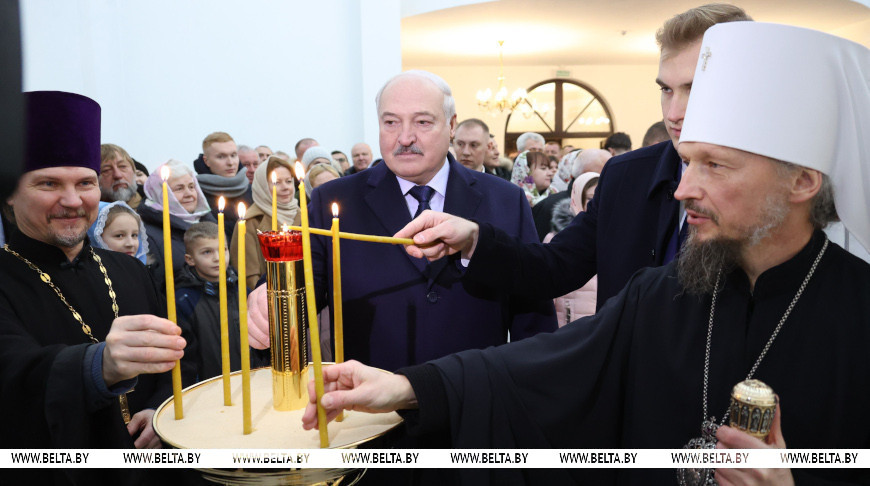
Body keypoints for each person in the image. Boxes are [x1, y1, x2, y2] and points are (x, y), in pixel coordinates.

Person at [305, 21, 870, 485]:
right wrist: (404, 387)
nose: (681, 187)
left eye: (713, 165)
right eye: (686, 158)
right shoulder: (659, 292)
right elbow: (536, 367)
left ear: (801, 182)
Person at [394, 4, 753, 310]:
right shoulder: (627, 177)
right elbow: (554, 267)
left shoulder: (772, 186)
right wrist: (474, 240)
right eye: (666, 90)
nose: (674, 112)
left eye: (693, 89)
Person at [300, 70, 556, 373]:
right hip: (371, 408)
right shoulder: (334, 202)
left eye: (422, 122)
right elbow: (299, 293)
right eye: (391, 122)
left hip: (476, 400)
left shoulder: (505, 200)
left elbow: (534, 318)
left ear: (451, 126)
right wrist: (269, 296)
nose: (405, 138)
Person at [0, 91, 189, 485]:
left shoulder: (129, 269)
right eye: (48, 183)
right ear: (9, 194)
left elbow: (173, 358)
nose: (72, 201)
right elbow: (13, 377)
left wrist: (161, 410)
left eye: (85, 182)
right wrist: (97, 365)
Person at [176, 221, 265, 381]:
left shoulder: (241, 290)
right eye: (207, 252)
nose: (217, 258)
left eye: (223, 250)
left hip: (249, 378)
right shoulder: (184, 300)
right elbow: (186, 356)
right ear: (190, 259)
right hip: (207, 385)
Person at [230, 156, 300, 289]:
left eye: (289, 181)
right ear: (262, 186)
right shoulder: (250, 222)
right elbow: (249, 276)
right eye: (276, 183)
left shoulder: (304, 215)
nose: (285, 187)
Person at [139, 159, 215, 277]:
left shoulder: (210, 223)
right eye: (179, 188)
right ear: (160, 194)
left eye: (191, 186)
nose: (189, 193)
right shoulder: (149, 236)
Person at [544, 172, 599, 325]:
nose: (595, 204)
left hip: (601, 326)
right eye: (589, 199)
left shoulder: (612, 237)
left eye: (600, 198)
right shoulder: (557, 238)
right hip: (568, 326)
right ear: (577, 198)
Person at [195, 131, 251, 240]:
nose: (230, 162)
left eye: (233, 155)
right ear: (206, 161)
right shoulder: (197, 194)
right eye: (221, 157)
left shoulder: (252, 190)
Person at [99, 143, 143, 209]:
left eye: (122, 166)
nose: (117, 175)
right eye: (106, 170)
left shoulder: (159, 209)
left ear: (134, 171)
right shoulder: (89, 217)